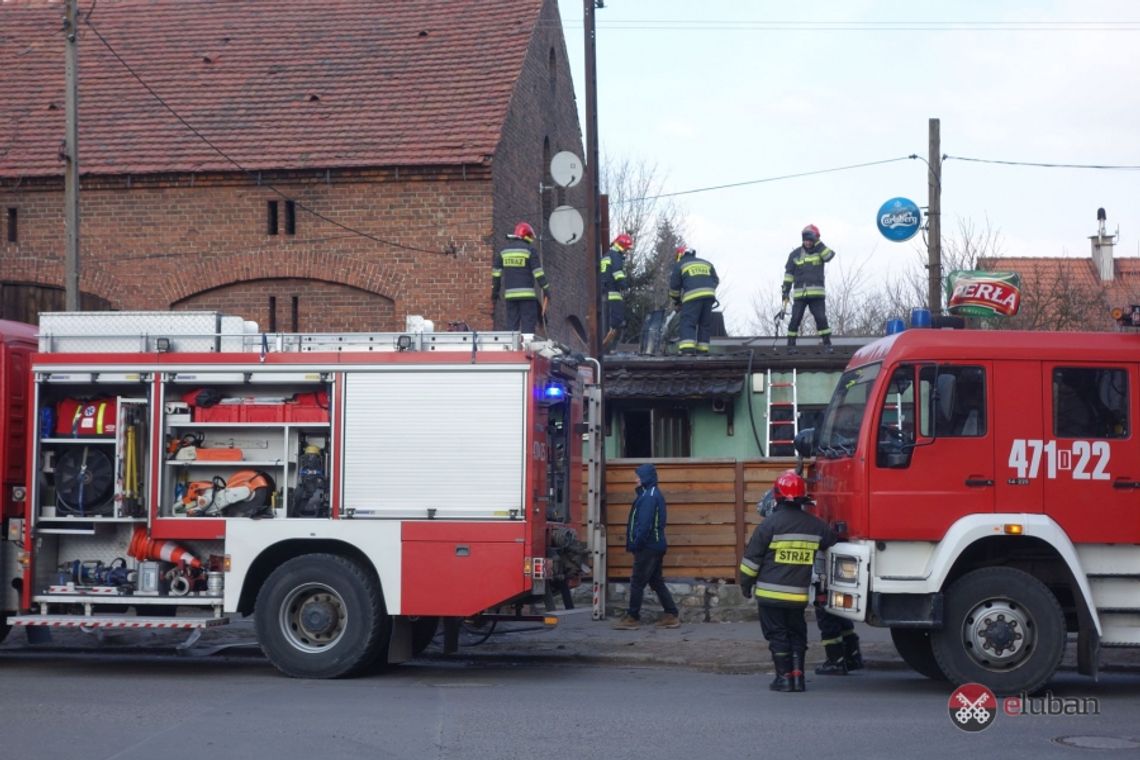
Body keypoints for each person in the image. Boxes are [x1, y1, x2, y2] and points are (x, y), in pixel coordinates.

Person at [739, 470, 836, 692]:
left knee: (777, 635)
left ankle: (783, 678)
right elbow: (830, 540)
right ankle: (798, 677)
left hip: (770, 595)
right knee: (797, 634)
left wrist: (745, 585)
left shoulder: (769, 525)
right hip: (797, 596)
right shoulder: (816, 525)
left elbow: (750, 562)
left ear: (777, 495)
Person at [613, 463, 681, 630]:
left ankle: (632, 617)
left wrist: (636, 544)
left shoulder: (649, 497)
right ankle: (671, 614)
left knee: (637, 581)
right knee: (656, 581)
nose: (635, 479)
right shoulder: (650, 494)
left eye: (638, 476)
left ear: (646, 478)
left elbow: (644, 525)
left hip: (648, 547)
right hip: (655, 545)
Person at [781, 224, 835, 350]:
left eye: (810, 240)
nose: (808, 242)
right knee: (795, 319)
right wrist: (785, 292)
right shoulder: (794, 254)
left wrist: (818, 243)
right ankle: (790, 345)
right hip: (800, 295)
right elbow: (789, 274)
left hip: (817, 295)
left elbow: (829, 256)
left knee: (821, 319)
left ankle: (827, 343)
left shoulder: (820, 251)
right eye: (806, 239)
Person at [492, 221, 551, 333]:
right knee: (528, 324)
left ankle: (512, 348)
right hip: (527, 296)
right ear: (526, 236)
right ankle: (526, 349)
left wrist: (495, 292)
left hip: (510, 296)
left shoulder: (504, 252)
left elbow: (496, 273)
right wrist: (546, 288)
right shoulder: (530, 250)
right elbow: (538, 272)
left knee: (512, 325)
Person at [668, 245, 719, 355]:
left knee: (688, 322)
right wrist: (708, 290)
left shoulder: (680, 265)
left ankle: (687, 350)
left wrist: (677, 301)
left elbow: (674, 288)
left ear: (680, 255)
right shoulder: (706, 263)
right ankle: (702, 350)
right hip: (709, 296)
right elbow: (715, 280)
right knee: (704, 323)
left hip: (692, 297)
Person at [601, 233, 633, 350]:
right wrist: (624, 285)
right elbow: (617, 274)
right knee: (616, 322)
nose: (626, 251)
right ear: (622, 246)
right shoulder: (616, 256)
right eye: (626, 248)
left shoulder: (606, 255)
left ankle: (606, 346)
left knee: (605, 321)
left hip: (603, 293)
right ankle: (608, 347)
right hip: (613, 293)